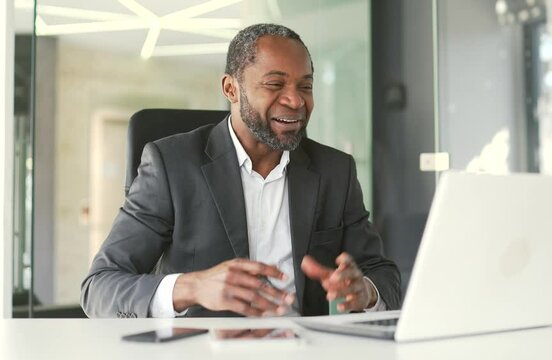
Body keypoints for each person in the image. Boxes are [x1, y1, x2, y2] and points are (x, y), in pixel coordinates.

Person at [81, 23, 400, 318]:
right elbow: (99, 287)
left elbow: (382, 274)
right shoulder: (171, 164)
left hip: (302, 348)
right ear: (231, 89)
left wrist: (366, 292)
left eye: (305, 86)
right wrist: (193, 287)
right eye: (275, 84)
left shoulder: (335, 171)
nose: (295, 100)